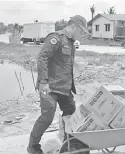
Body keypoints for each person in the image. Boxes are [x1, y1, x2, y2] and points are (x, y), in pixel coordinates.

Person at [27, 15, 89, 154]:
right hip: (50, 87)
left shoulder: (70, 41)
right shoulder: (56, 38)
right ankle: (33, 147)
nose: (82, 35)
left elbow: (64, 64)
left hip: (64, 88)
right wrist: (43, 82)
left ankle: (70, 144)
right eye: (81, 31)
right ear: (73, 26)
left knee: (72, 115)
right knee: (47, 116)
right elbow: (42, 57)